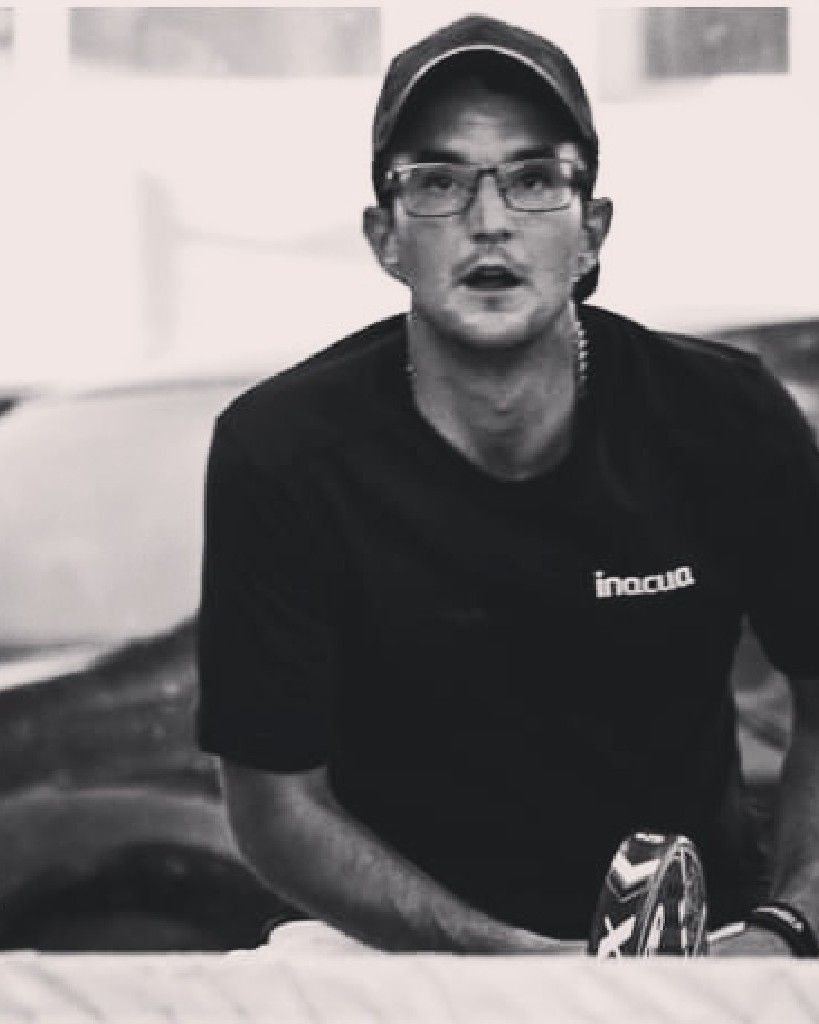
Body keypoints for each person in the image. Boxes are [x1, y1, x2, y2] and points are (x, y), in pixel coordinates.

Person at [196, 14, 819, 956]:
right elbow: (275, 805)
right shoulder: (280, 452)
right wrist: (512, 966)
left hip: (700, 956)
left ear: (590, 231)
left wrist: (783, 932)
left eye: (532, 180)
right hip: (400, 961)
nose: (488, 221)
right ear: (384, 236)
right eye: (438, 182)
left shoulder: (725, 418)